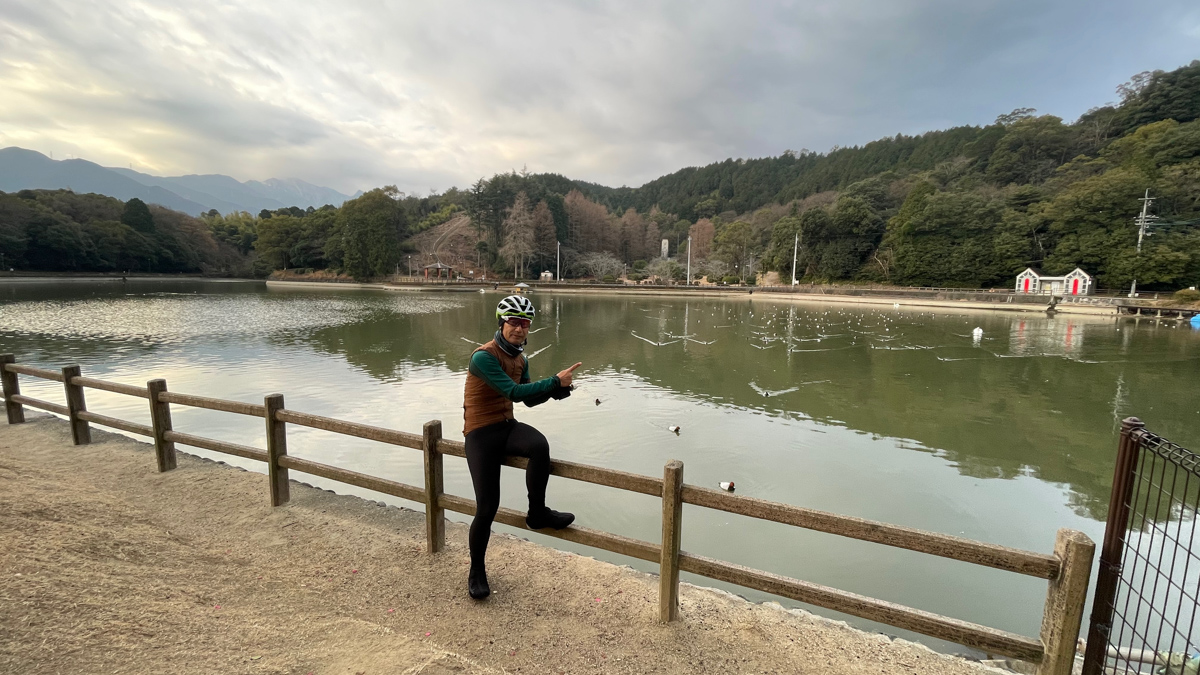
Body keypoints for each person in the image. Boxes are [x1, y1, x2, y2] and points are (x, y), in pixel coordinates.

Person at [462, 295, 582, 600]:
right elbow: (514, 392)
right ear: (502, 323)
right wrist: (554, 380)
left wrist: (559, 390)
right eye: (514, 322)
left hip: (506, 426)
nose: (519, 329)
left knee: (539, 445)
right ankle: (476, 570)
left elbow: (529, 399)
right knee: (487, 507)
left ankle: (537, 512)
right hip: (480, 433)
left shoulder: (521, 358)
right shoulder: (483, 357)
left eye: (525, 323)